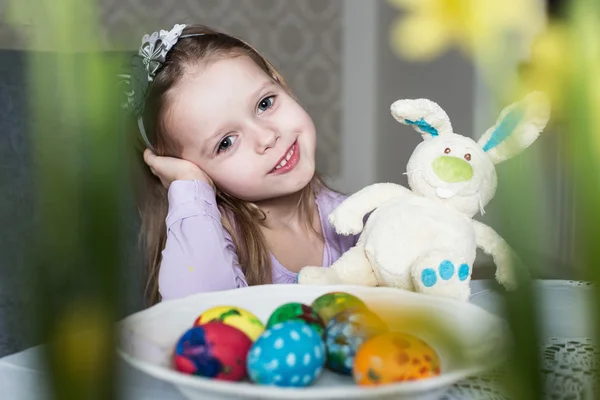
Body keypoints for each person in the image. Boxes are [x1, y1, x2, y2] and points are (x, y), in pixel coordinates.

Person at [122, 23, 359, 304]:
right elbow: (195, 314)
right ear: (195, 169)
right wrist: (189, 185)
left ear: (280, 83)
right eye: (226, 143)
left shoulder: (356, 218)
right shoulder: (218, 242)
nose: (267, 137)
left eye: (265, 103)